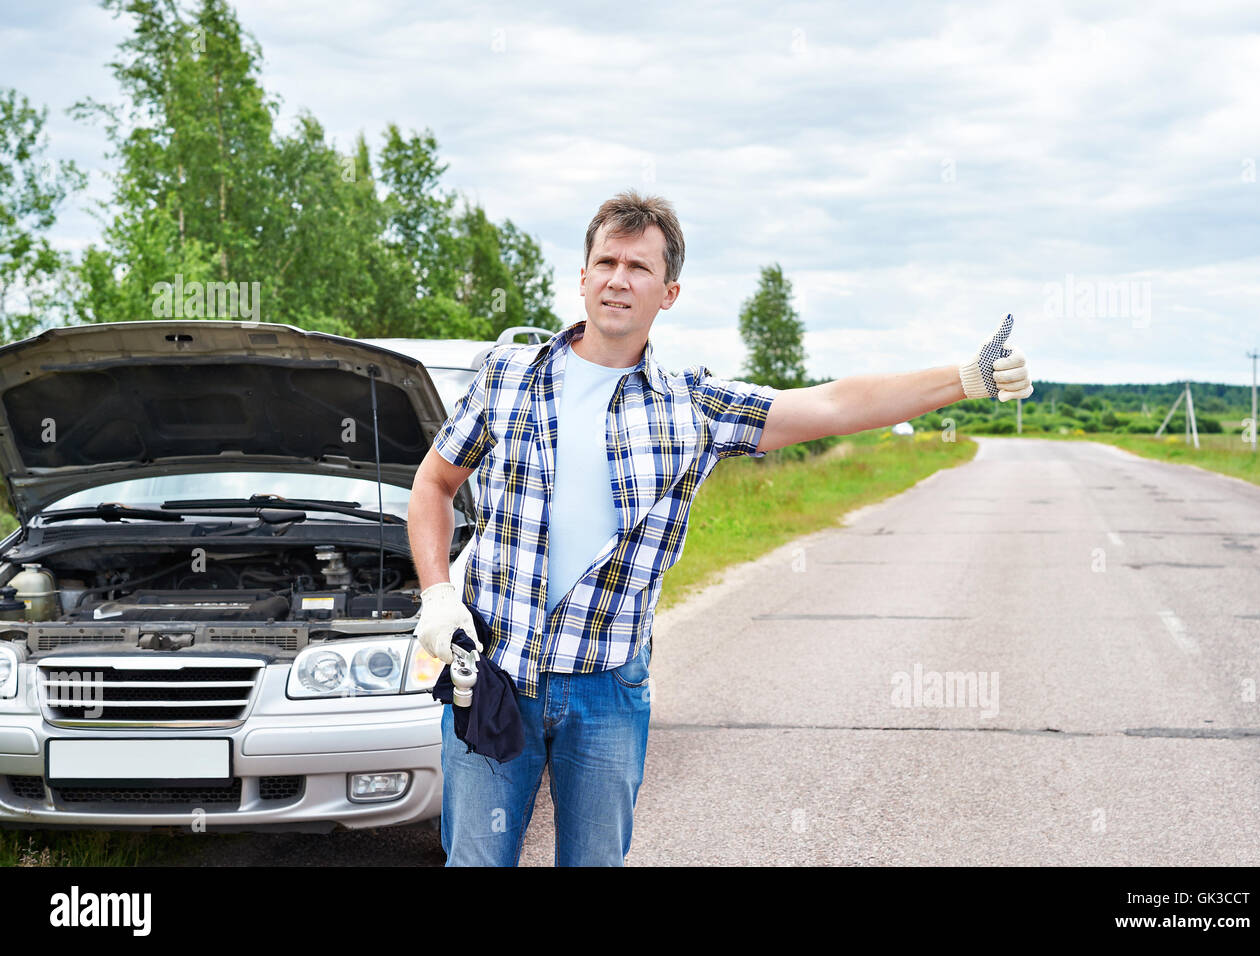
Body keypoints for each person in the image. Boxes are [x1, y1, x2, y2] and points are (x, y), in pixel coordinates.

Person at [406, 190, 1033, 866]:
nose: (620, 279)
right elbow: (433, 485)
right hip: (495, 672)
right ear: (583, 276)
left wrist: (963, 378)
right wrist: (439, 593)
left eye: (640, 268)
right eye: (607, 262)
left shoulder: (693, 405)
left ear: (669, 291)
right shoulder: (509, 378)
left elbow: (830, 404)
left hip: (607, 688)